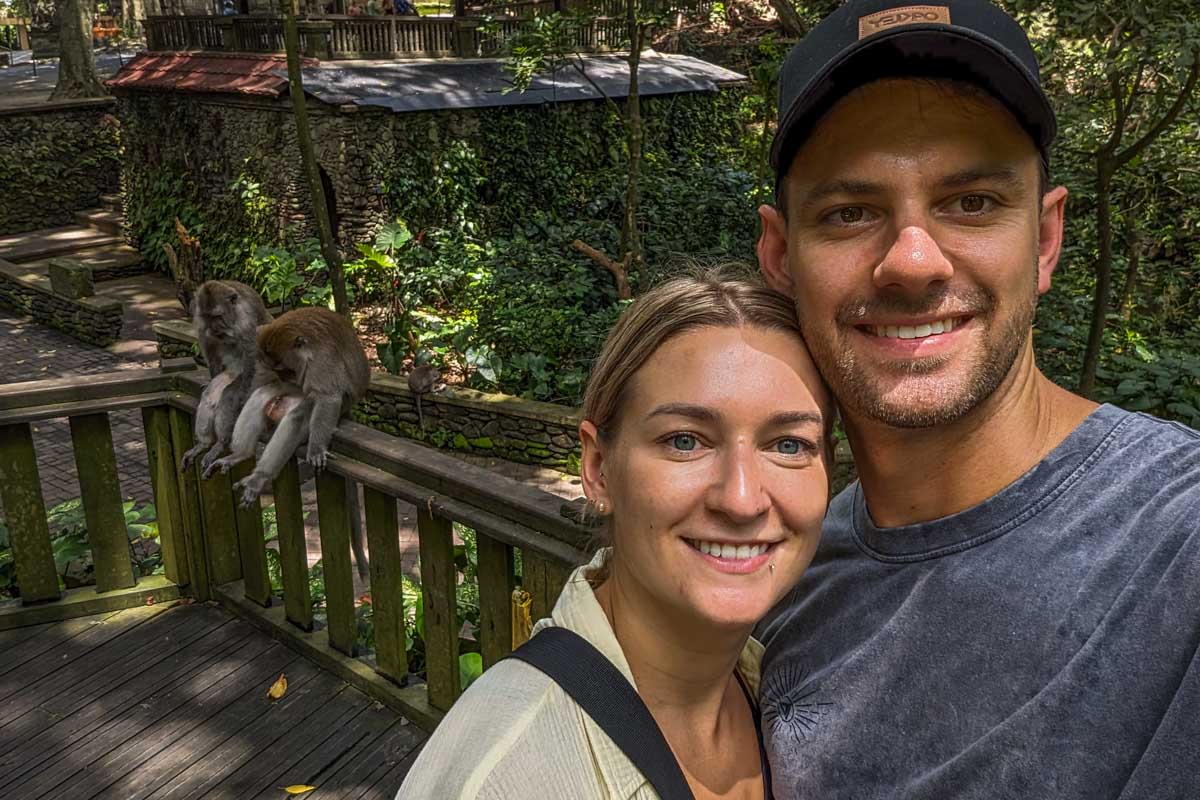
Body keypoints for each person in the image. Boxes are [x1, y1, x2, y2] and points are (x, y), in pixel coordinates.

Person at [754, 1, 1200, 797]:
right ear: (782, 257)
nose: (913, 261)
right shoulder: (775, 577)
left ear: (1045, 239)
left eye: (972, 203)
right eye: (850, 213)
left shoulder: (1178, 535)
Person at [398, 272, 835, 799]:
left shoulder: (779, 690)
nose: (742, 499)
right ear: (599, 468)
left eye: (789, 445)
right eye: (685, 441)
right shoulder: (504, 778)